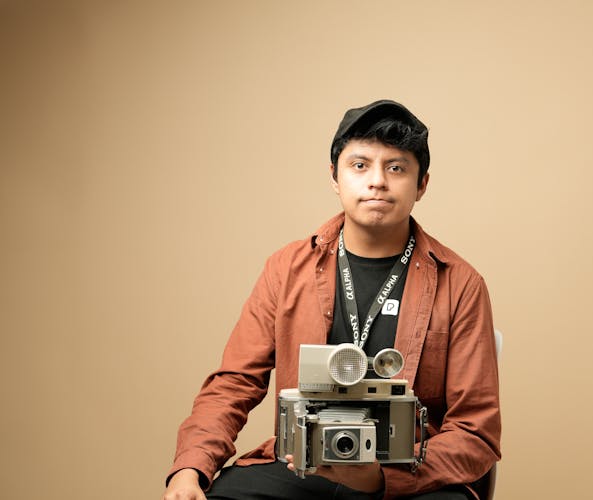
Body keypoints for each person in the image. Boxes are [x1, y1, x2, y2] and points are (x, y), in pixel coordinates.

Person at [163, 100, 501, 500]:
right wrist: (190, 467)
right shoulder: (286, 268)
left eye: (396, 168)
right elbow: (234, 383)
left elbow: (475, 431)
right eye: (360, 166)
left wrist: (381, 478)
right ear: (335, 178)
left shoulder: (460, 283)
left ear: (422, 183)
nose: (377, 181)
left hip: (409, 471)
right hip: (303, 464)